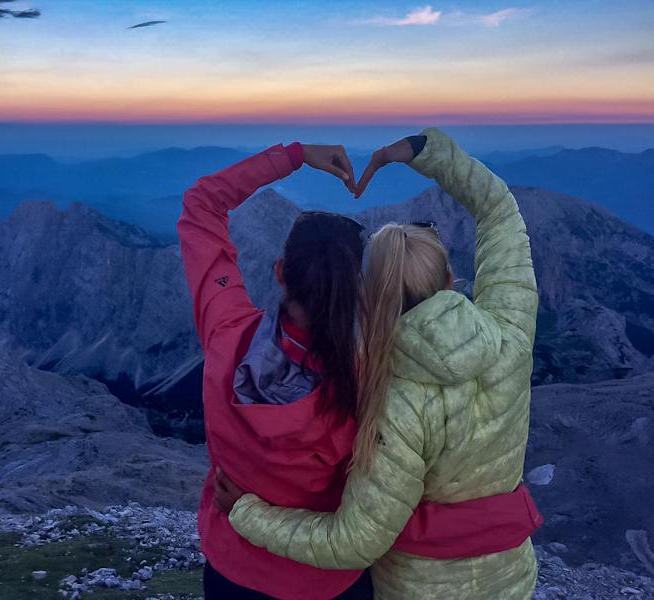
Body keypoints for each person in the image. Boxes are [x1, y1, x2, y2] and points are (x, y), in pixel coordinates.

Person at [214, 127, 543, 599]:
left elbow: (354, 543)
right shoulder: (512, 335)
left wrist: (246, 512)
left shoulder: (393, 402)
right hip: (511, 582)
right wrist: (418, 151)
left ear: (369, 302)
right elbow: (499, 210)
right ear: (450, 278)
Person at [177, 141, 374, 599]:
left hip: (234, 571)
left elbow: (201, 203)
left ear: (280, 270)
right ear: (355, 290)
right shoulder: (369, 382)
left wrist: (296, 156)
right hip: (330, 581)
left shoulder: (227, 335)